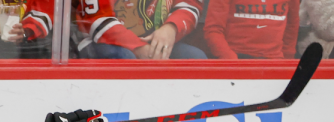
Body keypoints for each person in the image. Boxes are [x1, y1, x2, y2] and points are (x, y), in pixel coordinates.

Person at [13, 0, 206, 59]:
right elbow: (97, 21)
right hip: (99, 44)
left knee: (196, 59)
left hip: (154, 43)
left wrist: (170, 29)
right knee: (124, 59)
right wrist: (139, 49)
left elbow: (189, 4)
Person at [203, 0, 300, 59]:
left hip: (275, 60)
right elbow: (213, 29)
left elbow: (292, 27)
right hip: (237, 57)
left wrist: (286, 61)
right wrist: (230, 60)